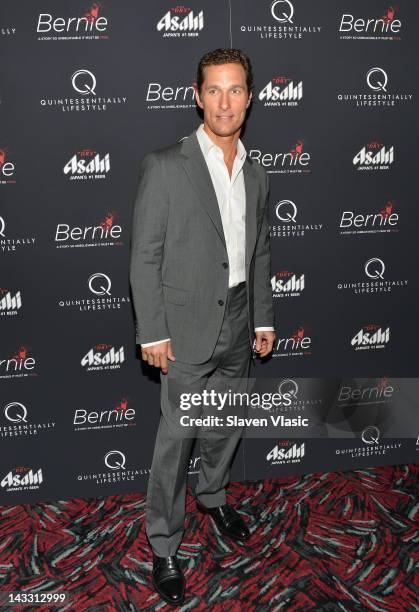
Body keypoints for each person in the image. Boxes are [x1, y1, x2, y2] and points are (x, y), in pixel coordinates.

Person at [129, 48, 275, 605]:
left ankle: (213, 495)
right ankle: (164, 543)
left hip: (239, 319)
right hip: (185, 326)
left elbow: (259, 248)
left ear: (249, 97)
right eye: (213, 90)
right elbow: (145, 255)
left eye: (235, 90)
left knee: (225, 423)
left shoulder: (256, 171)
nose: (224, 102)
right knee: (176, 440)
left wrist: (262, 315)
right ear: (196, 95)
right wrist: (153, 331)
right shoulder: (167, 165)